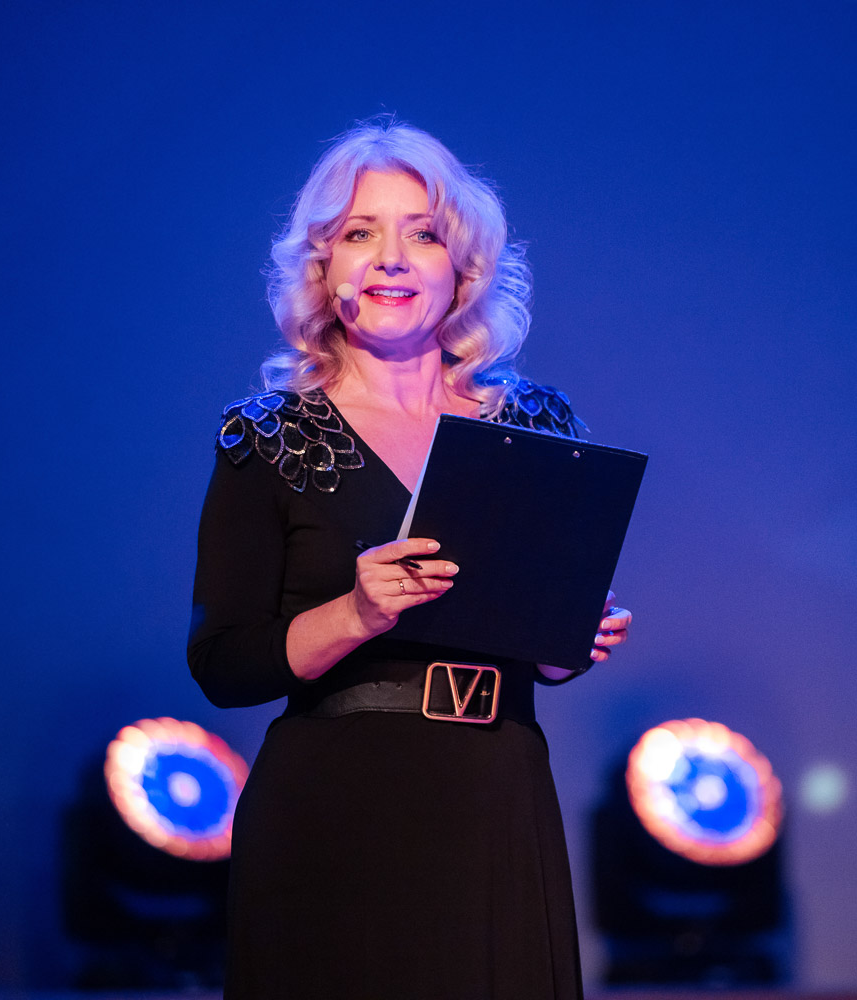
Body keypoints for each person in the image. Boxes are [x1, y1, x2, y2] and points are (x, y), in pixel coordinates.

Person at [187, 118, 631, 999]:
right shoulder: (272, 439)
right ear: (324, 268)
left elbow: (545, 652)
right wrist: (356, 614)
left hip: (497, 795)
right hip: (336, 812)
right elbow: (223, 663)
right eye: (360, 233)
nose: (391, 259)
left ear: (463, 267)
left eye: (422, 235)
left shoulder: (533, 424)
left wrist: (569, 636)